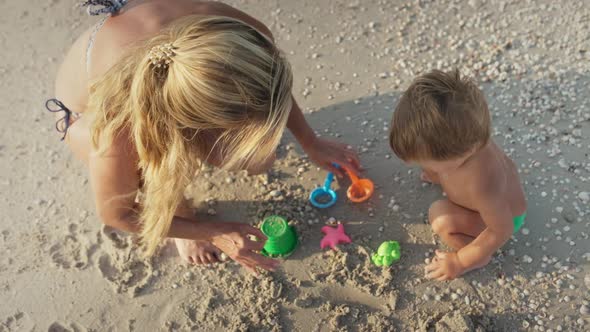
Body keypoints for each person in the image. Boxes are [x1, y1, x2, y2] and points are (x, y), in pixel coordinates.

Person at [47, 0, 361, 274]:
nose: (274, 153)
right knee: (151, 170)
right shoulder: (120, 130)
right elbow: (117, 214)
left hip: (150, 49)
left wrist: (310, 141)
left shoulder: (241, 35)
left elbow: (269, 85)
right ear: (193, 135)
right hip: (83, 113)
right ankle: (180, 217)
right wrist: (208, 231)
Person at [388, 69, 527, 280]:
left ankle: (480, 258)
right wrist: (437, 171)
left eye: (428, 164)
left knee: (440, 216)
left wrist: (461, 260)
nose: (421, 166)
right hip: (492, 200)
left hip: (504, 218)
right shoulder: (471, 136)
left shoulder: (482, 186)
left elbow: (501, 229)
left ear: (466, 153)